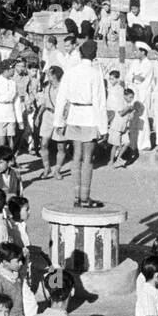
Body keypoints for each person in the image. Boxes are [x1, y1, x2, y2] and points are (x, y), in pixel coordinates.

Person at [51, 38, 108, 208]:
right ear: (94, 55)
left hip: (74, 116)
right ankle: (85, 198)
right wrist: (103, 127)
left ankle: (77, 197)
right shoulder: (95, 73)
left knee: (76, 156)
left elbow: (61, 98)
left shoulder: (71, 71)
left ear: (81, 53)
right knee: (88, 158)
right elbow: (100, 102)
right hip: (89, 117)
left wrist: (58, 121)